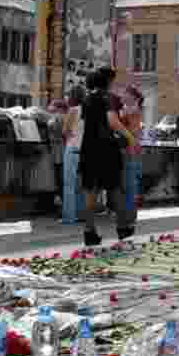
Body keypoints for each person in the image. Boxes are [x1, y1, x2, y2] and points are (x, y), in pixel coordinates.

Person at [78, 66, 134, 246]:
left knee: (90, 191)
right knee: (114, 188)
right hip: (106, 149)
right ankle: (122, 227)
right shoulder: (108, 98)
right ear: (108, 81)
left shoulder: (86, 99)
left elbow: (84, 125)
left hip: (88, 148)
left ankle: (89, 231)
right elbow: (112, 121)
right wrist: (130, 137)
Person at [61, 85, 86, 225]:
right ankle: (81, 214)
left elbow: (65, 131)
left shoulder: (73, 110)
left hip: (72, 149)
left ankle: (69, 217)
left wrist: (69, 135)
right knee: (81, 185)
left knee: (69, 185)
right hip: (84, 151)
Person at [119, 86, 145, 223]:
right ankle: (128, 212)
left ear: (133, 96)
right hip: (130, 148)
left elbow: (132, 130)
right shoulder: (130, 108)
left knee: (130, 183)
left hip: (131, 148)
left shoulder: (132, 109)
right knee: (128, 182)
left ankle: (129, 213)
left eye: (125, 93)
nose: (123, 95)